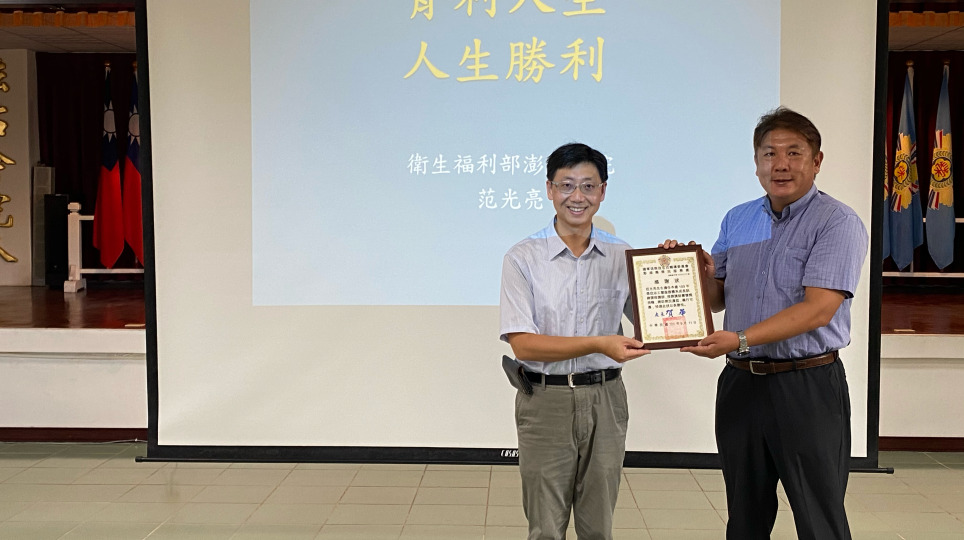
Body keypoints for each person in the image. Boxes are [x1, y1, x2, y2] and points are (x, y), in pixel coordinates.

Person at [663, 107, 868, 539]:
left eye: (794, 152)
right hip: (741, 384)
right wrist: (691, 272)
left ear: (817, 161)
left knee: (819, 517)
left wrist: (739, 339)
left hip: (806, 385)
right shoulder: (738, 218)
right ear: (756, 163)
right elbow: (717, 297)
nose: (780, 164)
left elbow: (818, 309)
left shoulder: (837, 222)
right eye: (769, 153)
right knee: (745, 516)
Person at [500, 142, 650, 540]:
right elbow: (524, 345)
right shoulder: (522, 257)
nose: (577, 196)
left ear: (602, 191)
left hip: (606, 399)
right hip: (545, 401)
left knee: (598, 526)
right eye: (566, 185)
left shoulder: (622, 255)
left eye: (588, 185)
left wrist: (676, 269)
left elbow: (656, 323)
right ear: (549, 189)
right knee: (546, 529)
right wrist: (599, 343)